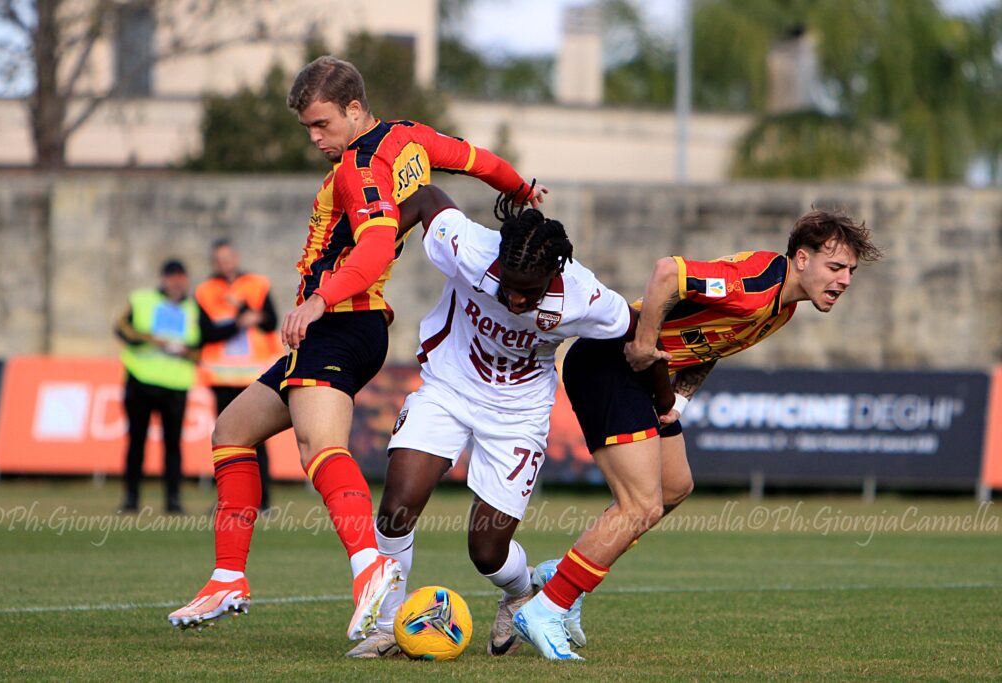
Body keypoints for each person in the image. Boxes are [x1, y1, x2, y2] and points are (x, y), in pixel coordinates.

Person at [168, 56, 546, 641]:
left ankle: (370, 565)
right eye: (308, 130)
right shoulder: (409, 139)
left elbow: (371, 250)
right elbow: (478, 160)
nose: (315, 139)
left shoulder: (358, 168)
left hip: (343, 320)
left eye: (321, 125)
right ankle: (227, 577)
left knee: (318, 444)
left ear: (352, 108)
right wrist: (521, 188)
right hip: (345, 327)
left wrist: (318, 301)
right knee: (231, 433)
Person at [514, 209, 883, 660]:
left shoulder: (781, 307)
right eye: (836, 267)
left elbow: (712, 344)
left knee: (674, 487)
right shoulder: (755, 286)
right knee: (640, 504)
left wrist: (677, 403)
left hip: (646, 378)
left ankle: (561, 575)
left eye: (850, 271)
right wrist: (645, 344)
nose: (844, 280)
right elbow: (668, 273)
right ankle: (546, 608)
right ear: (802, 259)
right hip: (609, 361)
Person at [345, 184, 634, 658]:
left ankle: (521, 591)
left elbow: (632, 330)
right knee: (398, 504)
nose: (517, 302)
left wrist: (664, 399)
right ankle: (385, 624)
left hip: (517, 416)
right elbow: (424, 198)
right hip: (447, 388)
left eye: (530, 293)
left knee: (486, 551)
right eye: (510, 288)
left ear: (554, 275)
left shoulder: (583, 295)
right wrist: (374, 248)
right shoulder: (469, 248)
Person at [196, 238, 282, 511]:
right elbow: (206, 333)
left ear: (236, 258)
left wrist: (243, 307)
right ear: (214, 263)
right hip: (221, 378)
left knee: (259, 440)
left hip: (254, 376)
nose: (225, 264)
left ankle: (263, 500)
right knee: (227, 441)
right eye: (219, 260)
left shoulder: (256, 284)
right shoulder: (205, 291)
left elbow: (270, 322)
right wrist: (240, 322)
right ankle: (231, 499)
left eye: (228, 258)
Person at [116, 259, 202, 515]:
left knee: (173, 446)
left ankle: (173, 501)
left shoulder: (194, 309)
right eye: (172, 277)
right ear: (163, 279)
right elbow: (121, 329)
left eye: (181, 277)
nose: (177, 282)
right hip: (141, 380)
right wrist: (152, 340)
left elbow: (202, 348)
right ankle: (131, 499)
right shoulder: (142, 300)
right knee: (136, 443)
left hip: (176, 384)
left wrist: (185, 351)